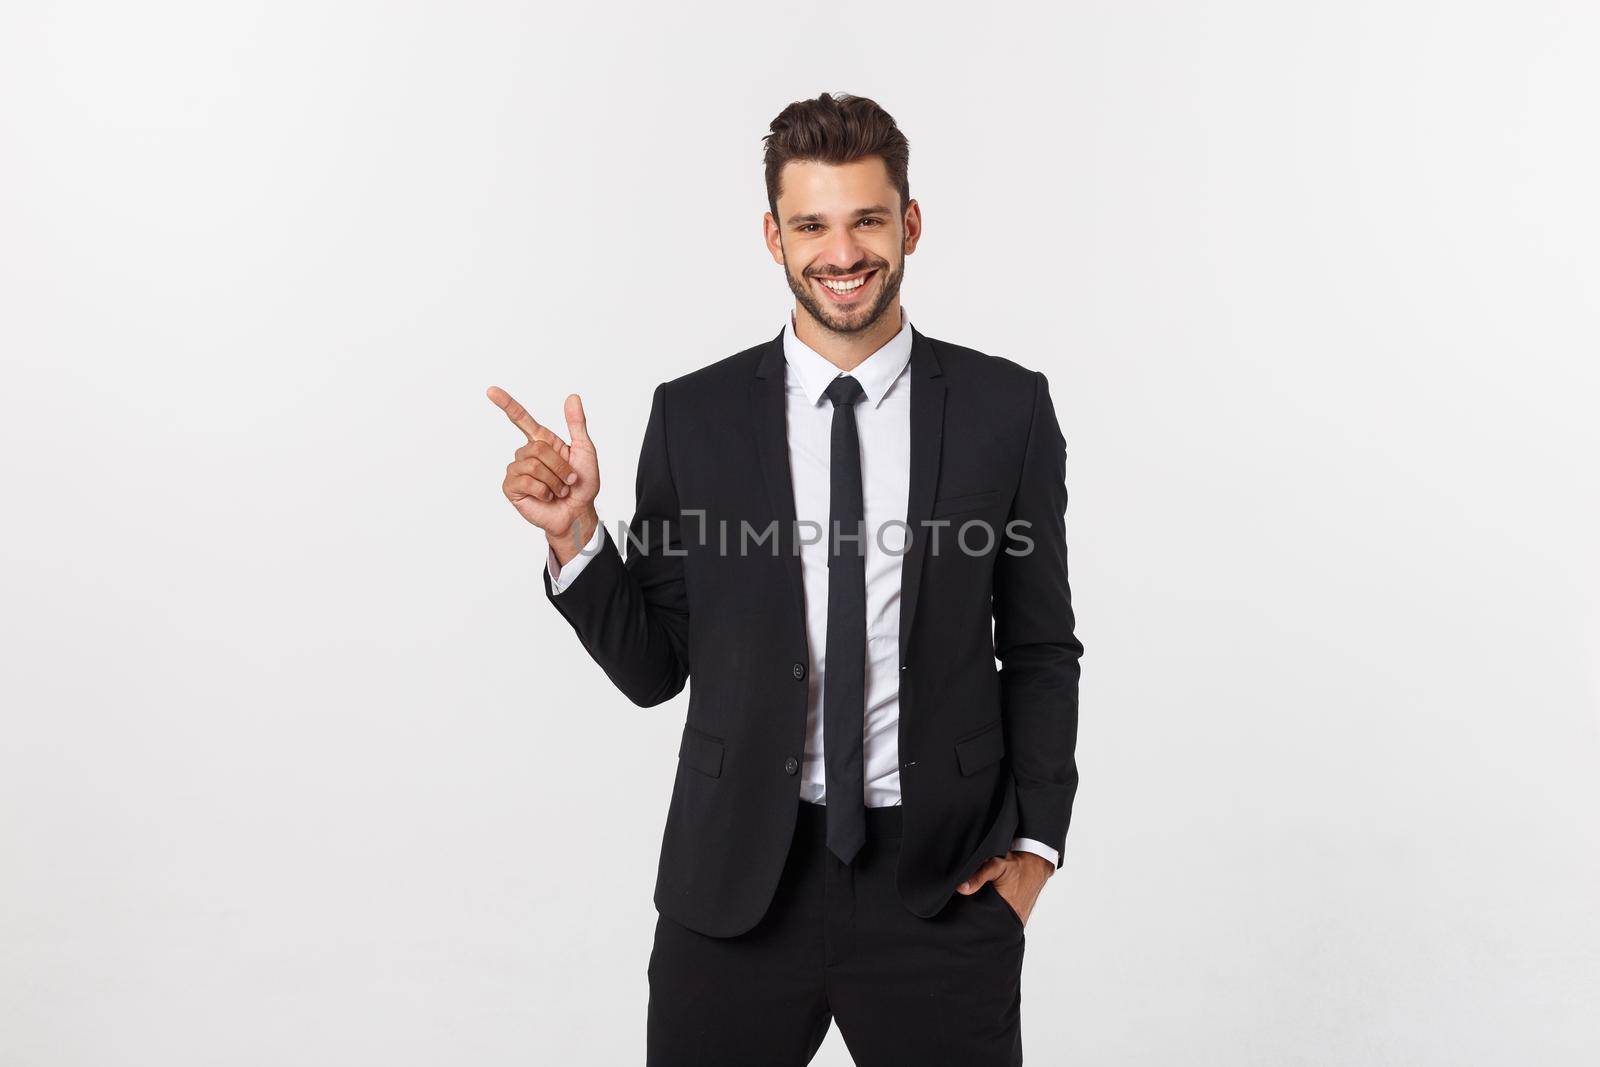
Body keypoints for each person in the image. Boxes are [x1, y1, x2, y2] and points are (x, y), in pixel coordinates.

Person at [486, 91, 1083, 1066]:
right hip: (734, 886)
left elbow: (1040, 647)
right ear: (773, 235)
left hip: (940, 884)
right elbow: (656, 668)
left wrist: (1036, 852)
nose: (839, 252)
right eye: (810, 223)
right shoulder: (694, 418)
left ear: (910, 223)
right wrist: (577, 538)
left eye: (865, 220)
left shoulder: (1003, 411)